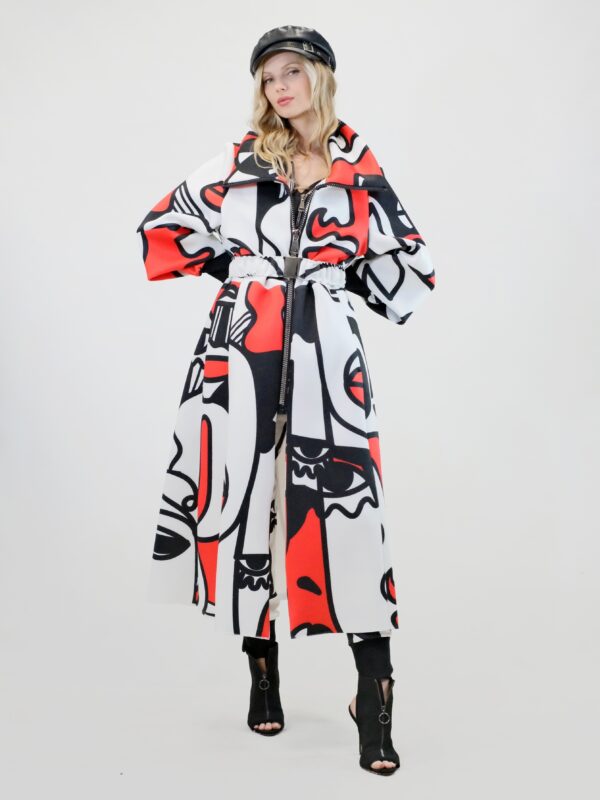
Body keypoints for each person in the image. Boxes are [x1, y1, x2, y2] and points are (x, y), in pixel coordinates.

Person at [136, 24, 436, 777]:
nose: (279, 86)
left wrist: (330, 282)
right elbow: (163, 229)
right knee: (251, 503)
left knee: (348, 515)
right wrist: (248, 277)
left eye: (292, 71)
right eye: (268, 76)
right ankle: (262, 670)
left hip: (327, 360)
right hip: (243, 355)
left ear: (321, 77)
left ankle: (374, 695)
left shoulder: (358, 169)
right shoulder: (240, 162)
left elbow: (410, 272)